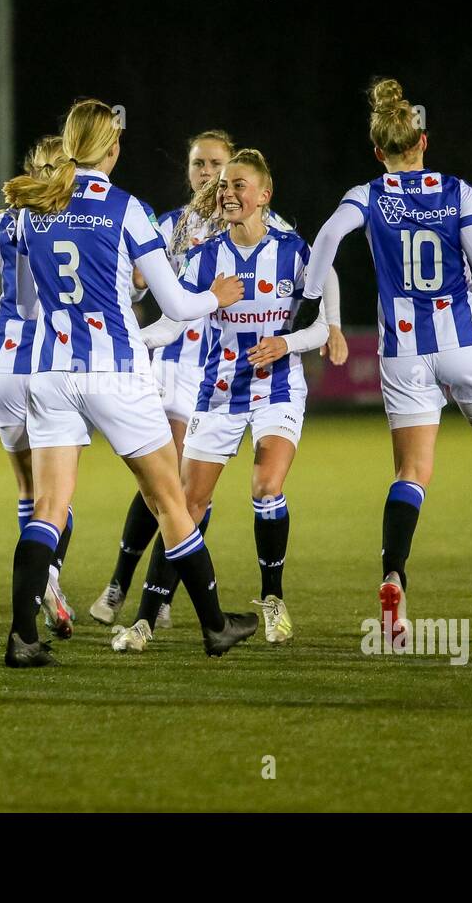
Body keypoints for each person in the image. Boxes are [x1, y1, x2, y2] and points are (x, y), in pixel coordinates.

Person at [0, 97, 257, 667]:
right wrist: (214, 296)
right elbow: (176, 302)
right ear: (112, 149)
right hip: (115, 369)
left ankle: (21, 637)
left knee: (47, 508)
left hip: (48, 369)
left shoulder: (30, 207)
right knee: (169, 498)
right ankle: (215, 625)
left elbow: (20, 302)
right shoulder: (125, 209)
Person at [300, 78, 472, 636]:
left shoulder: (367, 195)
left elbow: (325, 238)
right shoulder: (457, 191)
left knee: (411, 472)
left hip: (404, 353)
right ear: (424, 141)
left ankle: (394, 576)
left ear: (378, 153)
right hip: (465, 345)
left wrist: (311, 300)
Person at [89, 130, 346, 630]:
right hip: (218, 387)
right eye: (218, 180)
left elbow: (320, 291)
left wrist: (297, 339)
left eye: (235, 182)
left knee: (266, 488)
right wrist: (132, 340)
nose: (224, 189)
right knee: (184, 503)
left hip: (277, 388)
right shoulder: (202, 250)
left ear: (264, 195)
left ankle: (272, 601)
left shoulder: (291, 247)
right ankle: (146, 616)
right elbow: (174, 317)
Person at [0, 134, 78, 639]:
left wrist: (4, 328)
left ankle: (41, 589)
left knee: (27, 489)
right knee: (55, 495)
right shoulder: (74, 219)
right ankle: (49, 579)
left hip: (2, 366)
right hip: (54, 363)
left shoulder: (1, 222)